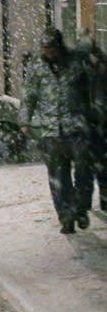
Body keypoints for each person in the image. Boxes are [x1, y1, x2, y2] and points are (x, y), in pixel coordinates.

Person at [20, 27, 95, 234]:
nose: (49, 53)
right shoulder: (37, 67)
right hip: (51, 130)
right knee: (58, 177)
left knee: (83, 172)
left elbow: (92, 87)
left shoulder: (76, 63)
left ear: (60, 47)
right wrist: (25, 121)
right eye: (45, 49)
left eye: (52, 48)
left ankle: (80, 209)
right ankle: (66, 217)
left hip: (77, 127)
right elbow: (29, 96)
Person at [74, 29, 107, 211]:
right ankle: (88, 201)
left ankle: (90, 201)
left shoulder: (99, 68)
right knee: (87, 167)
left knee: (89, 167)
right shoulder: (79, 70)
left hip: (96, 123)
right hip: (88, 123)